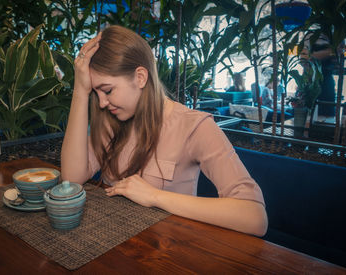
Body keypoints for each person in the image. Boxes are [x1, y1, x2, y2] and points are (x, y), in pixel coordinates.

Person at [61, 25, 267, 236]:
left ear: (140, 77)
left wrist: (154, 196)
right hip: (110, 240)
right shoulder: (111, 120)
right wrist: (81, 90)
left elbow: (254, 217)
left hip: (166, 249)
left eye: (107, 90)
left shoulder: (194, 126)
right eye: (96, 93)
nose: (102, 103)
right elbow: (71, 179)